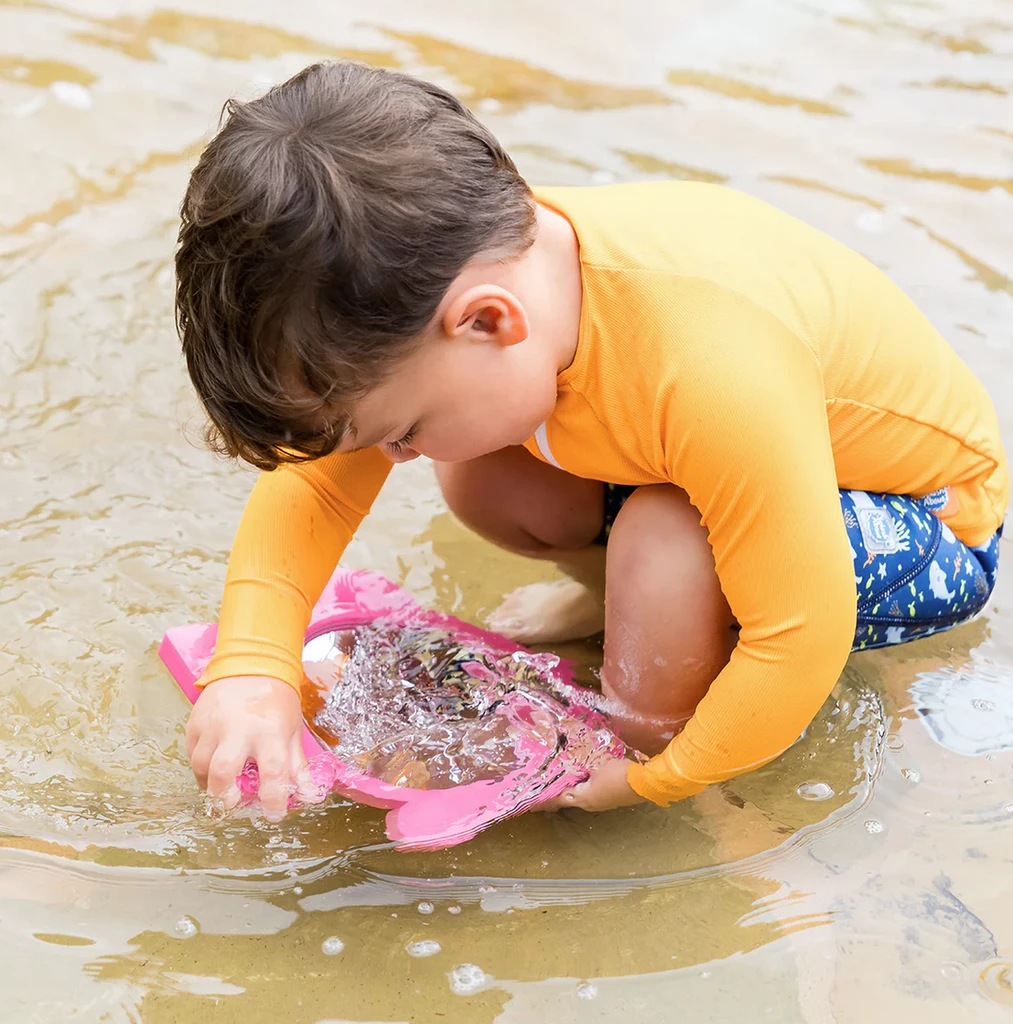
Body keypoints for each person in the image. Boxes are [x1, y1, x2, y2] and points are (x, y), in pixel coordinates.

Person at [174, 60, 1008, 821]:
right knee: (483, 472)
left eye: (402, 433)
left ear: (488, 321)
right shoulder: (467, 265)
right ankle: (632, 604)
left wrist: (655, 779)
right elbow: (318, 483)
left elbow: (800, 632)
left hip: (924, 527)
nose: (391, 458)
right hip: (724, 463)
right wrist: (251, 664)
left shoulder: (712, 364)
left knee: (667, 534)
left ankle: (641, 719)